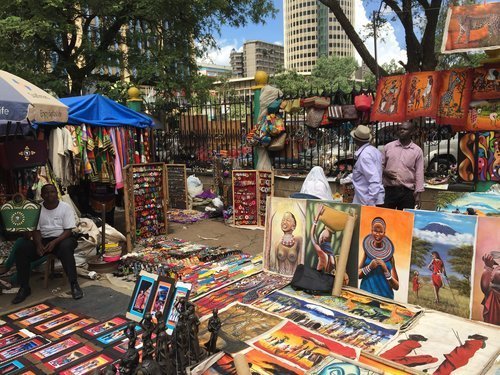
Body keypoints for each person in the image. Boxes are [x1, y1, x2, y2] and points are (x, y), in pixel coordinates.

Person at [11, 184, 83, 304]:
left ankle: (74, 284)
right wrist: (38, 244)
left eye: (52, 192)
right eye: (46, 193)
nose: (50, 195)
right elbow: (36, 230)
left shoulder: (65, 208)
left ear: (57, 193)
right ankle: (24, 287)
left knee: (66, 248)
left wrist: (55, 242)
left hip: (62, 239)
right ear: (42, 195)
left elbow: (68, 231)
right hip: (43, 240)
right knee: (22, 249)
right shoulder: (37, 209)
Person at [382, 121, 424, 210]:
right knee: (387, 219)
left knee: (404, 221)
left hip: (407, 192)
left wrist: (418, 196)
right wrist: (385, 172)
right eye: (400, 129)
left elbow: (419, 173)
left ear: (411, 132)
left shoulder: (417, 151)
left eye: (405, 129)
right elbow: (379, 165)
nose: (401, 131)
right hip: (389, 191)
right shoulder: (388, 147)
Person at [358, 217, 399, 299]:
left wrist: (386, 270)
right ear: (371, 231)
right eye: (375, 231)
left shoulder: (389, 256)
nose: (377, 234)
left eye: (381, 232)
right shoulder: (367, 251)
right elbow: (358, 275)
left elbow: (396, 286)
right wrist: (369, 267)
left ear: (384, 233)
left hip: (385, 298)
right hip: (365, 296)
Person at [350, 125, 384, 206]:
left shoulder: (364, 156)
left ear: (355, 140)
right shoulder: (374, 151)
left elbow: (374, 180)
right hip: (370, 198)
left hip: (367, 200)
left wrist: (370, 203)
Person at [480, 251, 499, 325]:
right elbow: (485, 286)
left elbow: (485, 286)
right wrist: (489, 267)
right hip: (494, 297)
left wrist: (488, 267)